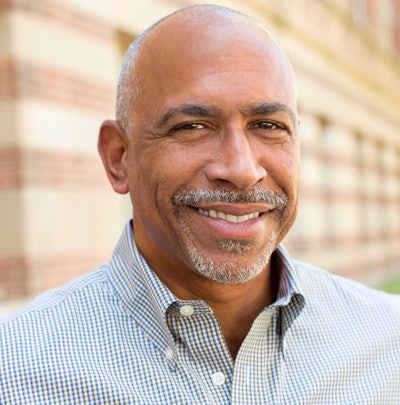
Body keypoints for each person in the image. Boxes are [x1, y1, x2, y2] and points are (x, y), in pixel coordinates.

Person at [1, 4, 399, 404]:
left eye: (269, 126)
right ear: (119, 157)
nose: (242, 170)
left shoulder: (388, 340)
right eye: (191, 127)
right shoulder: (16, 372)